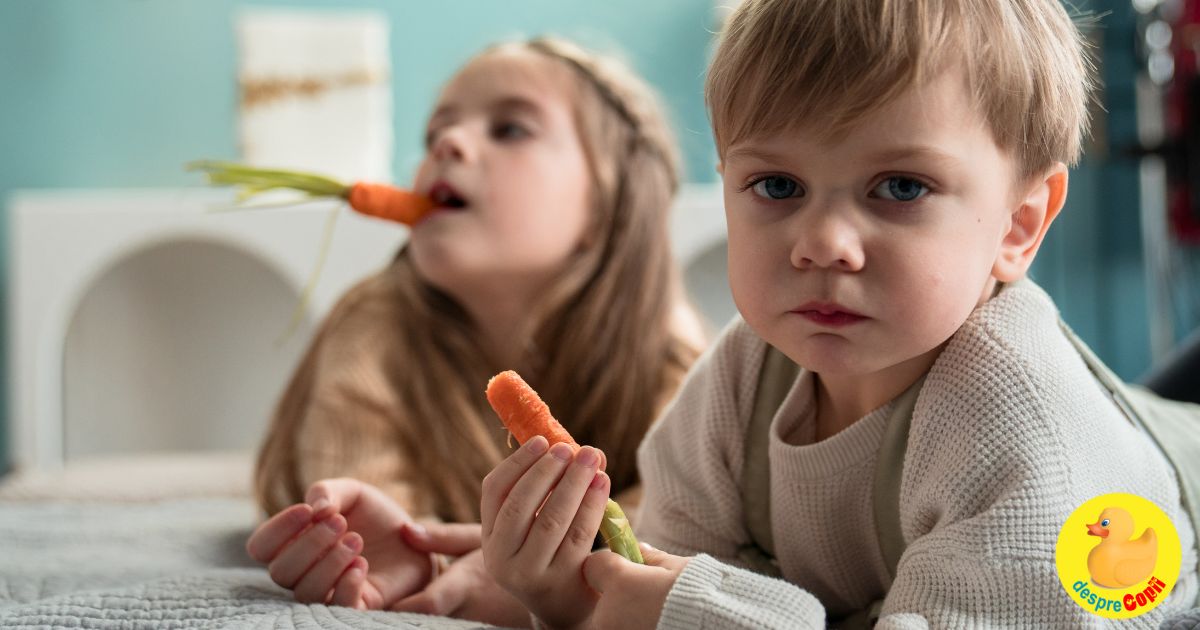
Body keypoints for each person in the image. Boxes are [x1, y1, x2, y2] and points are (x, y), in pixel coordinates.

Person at [479, 1, 1200, 627]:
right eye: (778, 184)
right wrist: (580, 598)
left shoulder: (1035, 448)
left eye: (899, 187)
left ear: (1017, 225)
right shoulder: (740, 383)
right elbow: (680, 583)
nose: (822, 243)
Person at [244, 35, 705, 624]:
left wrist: (542, 573)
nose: (448, 144)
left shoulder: (669, 345)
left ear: (608, 204)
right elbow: (376, 507)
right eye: (434, 134)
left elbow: (690, 521)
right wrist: (414, 560)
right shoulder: (376, 321)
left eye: (510, 128)